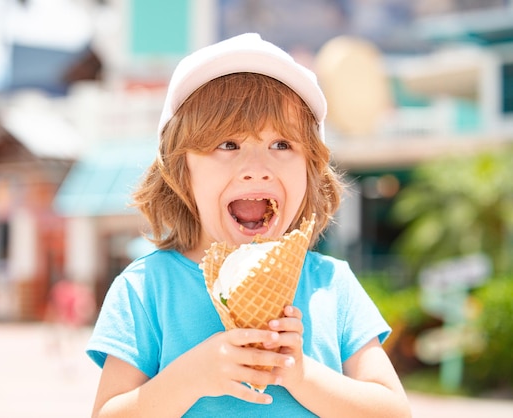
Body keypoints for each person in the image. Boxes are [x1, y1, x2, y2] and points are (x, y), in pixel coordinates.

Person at [85, 33, 411, 417]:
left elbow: (394, 411)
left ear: (311, 171)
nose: (256, 169)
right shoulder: (146, 289)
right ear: (180, 171)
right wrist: (189, 377)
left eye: (281, 145)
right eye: (227, 145)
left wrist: (300, 374)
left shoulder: (331, 285)